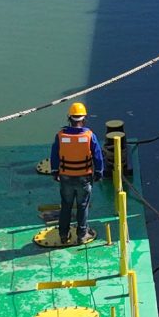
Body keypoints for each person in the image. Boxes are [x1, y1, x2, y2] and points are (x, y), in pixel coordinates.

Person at [51, 101, 105, 245]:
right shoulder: (89, 136)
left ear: (69, 118)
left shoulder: (61, 135)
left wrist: (55, 171)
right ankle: (82, 234)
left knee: (66, 205)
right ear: (84, 118)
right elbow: (98, 155)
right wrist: (99, 172)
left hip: (66, 176)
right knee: (82, 205)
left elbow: (55, 154)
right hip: (84, 177)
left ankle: (63, 234)